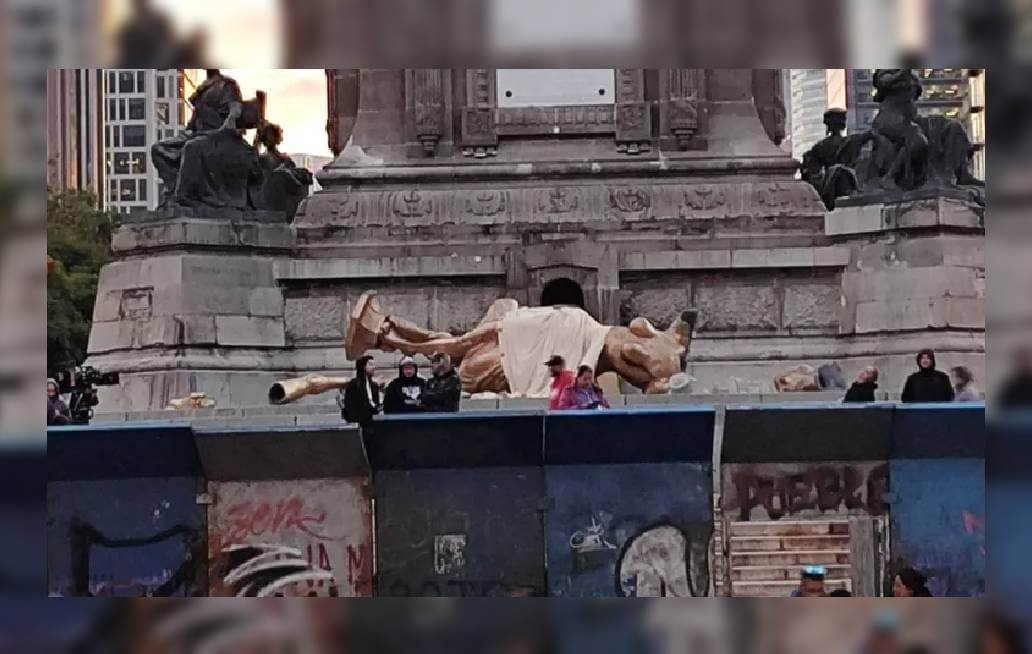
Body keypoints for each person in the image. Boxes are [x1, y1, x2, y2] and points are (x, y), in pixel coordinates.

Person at [341, 355, 381, 427]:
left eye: (374, 365)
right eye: (371, 364)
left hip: (373, 424)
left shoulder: (374, 386)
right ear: (363, 366)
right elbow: (350, 406)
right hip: (359, 425)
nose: (374, 367)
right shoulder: (354, 384)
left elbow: (376, 405)